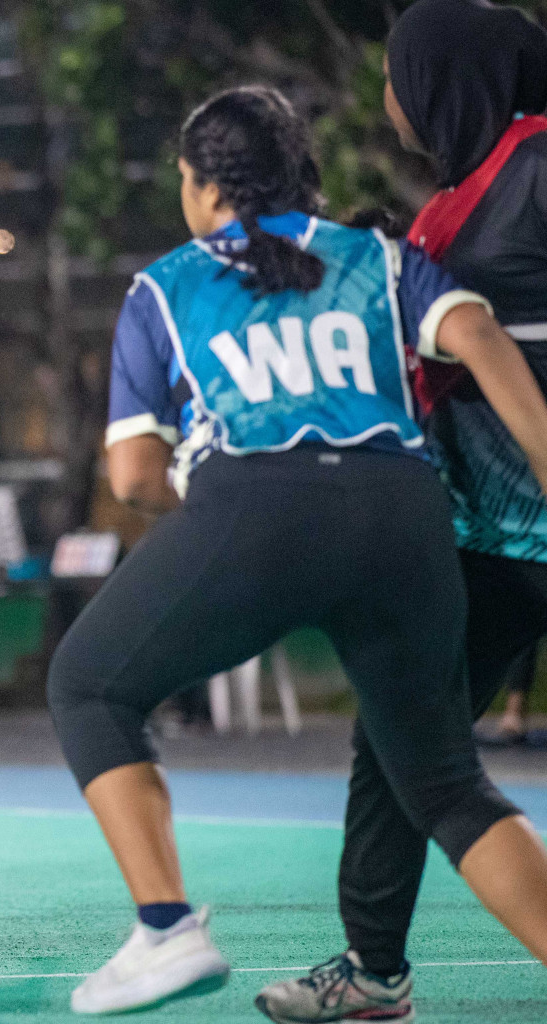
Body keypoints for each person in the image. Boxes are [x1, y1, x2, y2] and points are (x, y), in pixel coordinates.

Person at [48, 85, 547, 1017]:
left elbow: (131, 478)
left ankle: (168, 930)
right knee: (444, 783)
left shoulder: (169, 282)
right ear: (298, 176)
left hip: (259, 503)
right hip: (407, 513)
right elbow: (477, 335)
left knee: (88, 686)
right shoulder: (378, 256)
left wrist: (224, 525)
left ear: (202, 187)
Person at [258, 4, 547, 1020]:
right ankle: (374, 968)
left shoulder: (541, 168)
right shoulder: (456, 199)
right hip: (493, 542)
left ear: (445, 81)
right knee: (396, 735)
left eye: (395, 73)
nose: (386, 95)